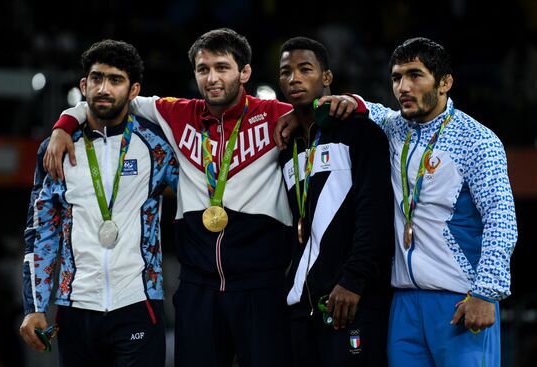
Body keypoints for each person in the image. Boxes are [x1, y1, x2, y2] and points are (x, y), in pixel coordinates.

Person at [42, 28, 364, 367]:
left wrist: (352, 101)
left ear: (245, 72)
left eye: (222, 68)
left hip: (261, 288)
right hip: (198, 290)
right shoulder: (176, 113)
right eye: (203, 69)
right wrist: (64, 124)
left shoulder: (276, 114)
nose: (212, 78)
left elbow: (357, 113)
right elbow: (109, 96)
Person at [277, 36, 518, 367]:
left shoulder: (477, 141)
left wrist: (486, 292)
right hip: (402, 302)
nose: (404, 86)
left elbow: (500, 218)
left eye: (415, 75)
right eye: (396, 77)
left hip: (459, 298)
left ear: (445, 82)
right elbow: (357, 106)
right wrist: (301, 115)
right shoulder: (392, 128)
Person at [19, 39, 179, 367]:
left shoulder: (157, 149)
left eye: (115, 80)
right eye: (96, 78)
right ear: (83, 84)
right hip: (76, 308)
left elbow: (199, 197)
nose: (103, 88)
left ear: (134, 90)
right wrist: (34, 306)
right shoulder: (56, 150)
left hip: (139, 304)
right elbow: (41, 232)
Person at [277, 36, 394, 366]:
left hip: (351, 301)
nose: (294, 78)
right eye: (286, 72)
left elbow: (375, 214)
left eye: (305, 69)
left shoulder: (361, 133)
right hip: (302, 308)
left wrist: (353, 281)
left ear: (326, 77)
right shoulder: (289, 150)